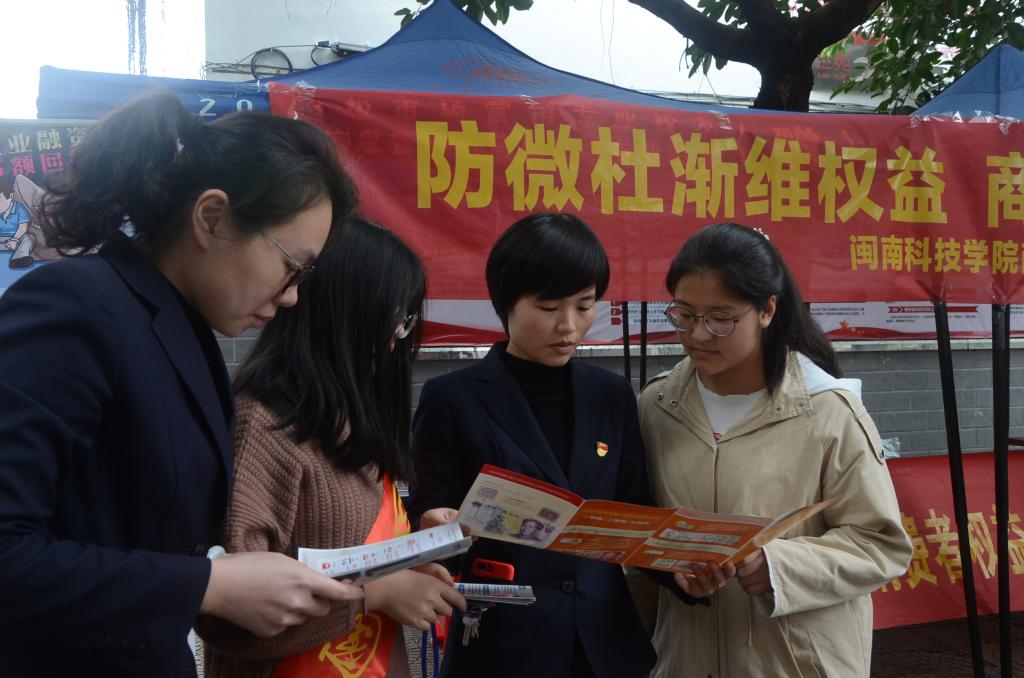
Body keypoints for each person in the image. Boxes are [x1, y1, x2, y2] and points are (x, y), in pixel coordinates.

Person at [0, 91, 365, 677]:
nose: (292, 296)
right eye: (291, 266)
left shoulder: (183, 327)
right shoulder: (78, 305)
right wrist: (209, 586)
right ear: (211, 217)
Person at [634, 222, 913, 678]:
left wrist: (779, 567)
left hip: (796, 664)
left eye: (720, 318)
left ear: (766, 310)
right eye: (684, 314)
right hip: (685, 660)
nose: (698, 334)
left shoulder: (826, 411)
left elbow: (881, 543)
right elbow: (641, 540)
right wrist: (671, 575)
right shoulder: (657, 405)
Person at [199, 217, 466, 678]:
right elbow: (227, 616)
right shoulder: (263, 426)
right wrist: (372, 595)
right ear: (345, 312)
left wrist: (415, 551)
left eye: (406, 321)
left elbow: (347, 548)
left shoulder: (347, 419)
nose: (398, 337)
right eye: (395, 318)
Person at [408, 212, 657, 678]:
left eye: (584, 305)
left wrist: (682, 570)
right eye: (548, 308)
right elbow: (429, 512)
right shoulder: (453, 398)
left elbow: (633, 509)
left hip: (604, 646)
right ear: (507, 303)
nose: (569, 326)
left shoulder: (611, 394)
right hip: (503, 646)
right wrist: (435, 526)